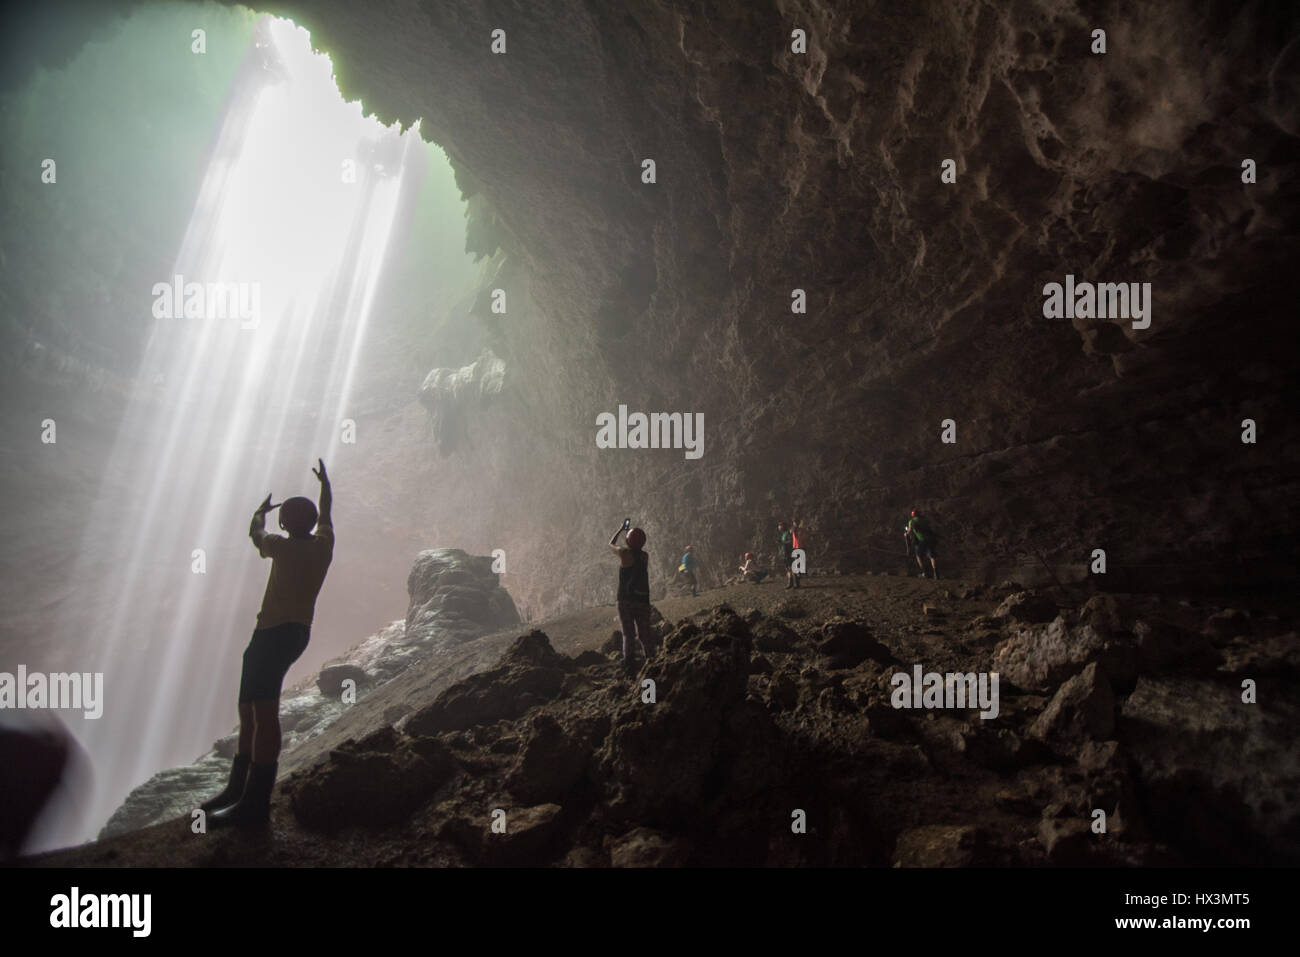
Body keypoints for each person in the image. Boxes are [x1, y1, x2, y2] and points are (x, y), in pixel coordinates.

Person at [201, 458, 334, 828]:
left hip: (274, 634)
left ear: (285, 523)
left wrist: (260, 512)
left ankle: (254, 804)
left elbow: (255, 533)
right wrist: (325, 486)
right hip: (289, 633)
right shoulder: (324, 544)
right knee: (249, 708)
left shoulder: (280, 546)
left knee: (262, 713)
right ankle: (238, 790)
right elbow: (326, 512)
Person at [609, 520, 654, 678]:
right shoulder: (645, 556)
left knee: (628, 635)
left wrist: (621, 529)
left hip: (625, 601)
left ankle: (629, 670)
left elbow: (611, 544)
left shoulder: (623, 553)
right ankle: (652, 663)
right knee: (645, 635)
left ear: (628, 540)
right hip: (642, 602)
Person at [904, 509, 939, 580]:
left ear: (912, 515)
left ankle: (925, 573)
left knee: (918, 556)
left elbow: (909, 531)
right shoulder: (925, 520)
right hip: (930, 540)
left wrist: (906, 534)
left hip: (921, 540)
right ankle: (936, 573)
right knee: (932, 556)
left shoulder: (912, 521)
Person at [778, 520, 798, 589]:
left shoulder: (787, 533)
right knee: (788, 568)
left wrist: (782, 542)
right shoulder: (783, 534)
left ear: (783, 527)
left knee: (791, 568)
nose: (779, 527)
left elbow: (790, 542)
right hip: (784, 553)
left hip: (788, 553)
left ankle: (795, 583)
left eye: (780, 526)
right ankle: (791, 583)